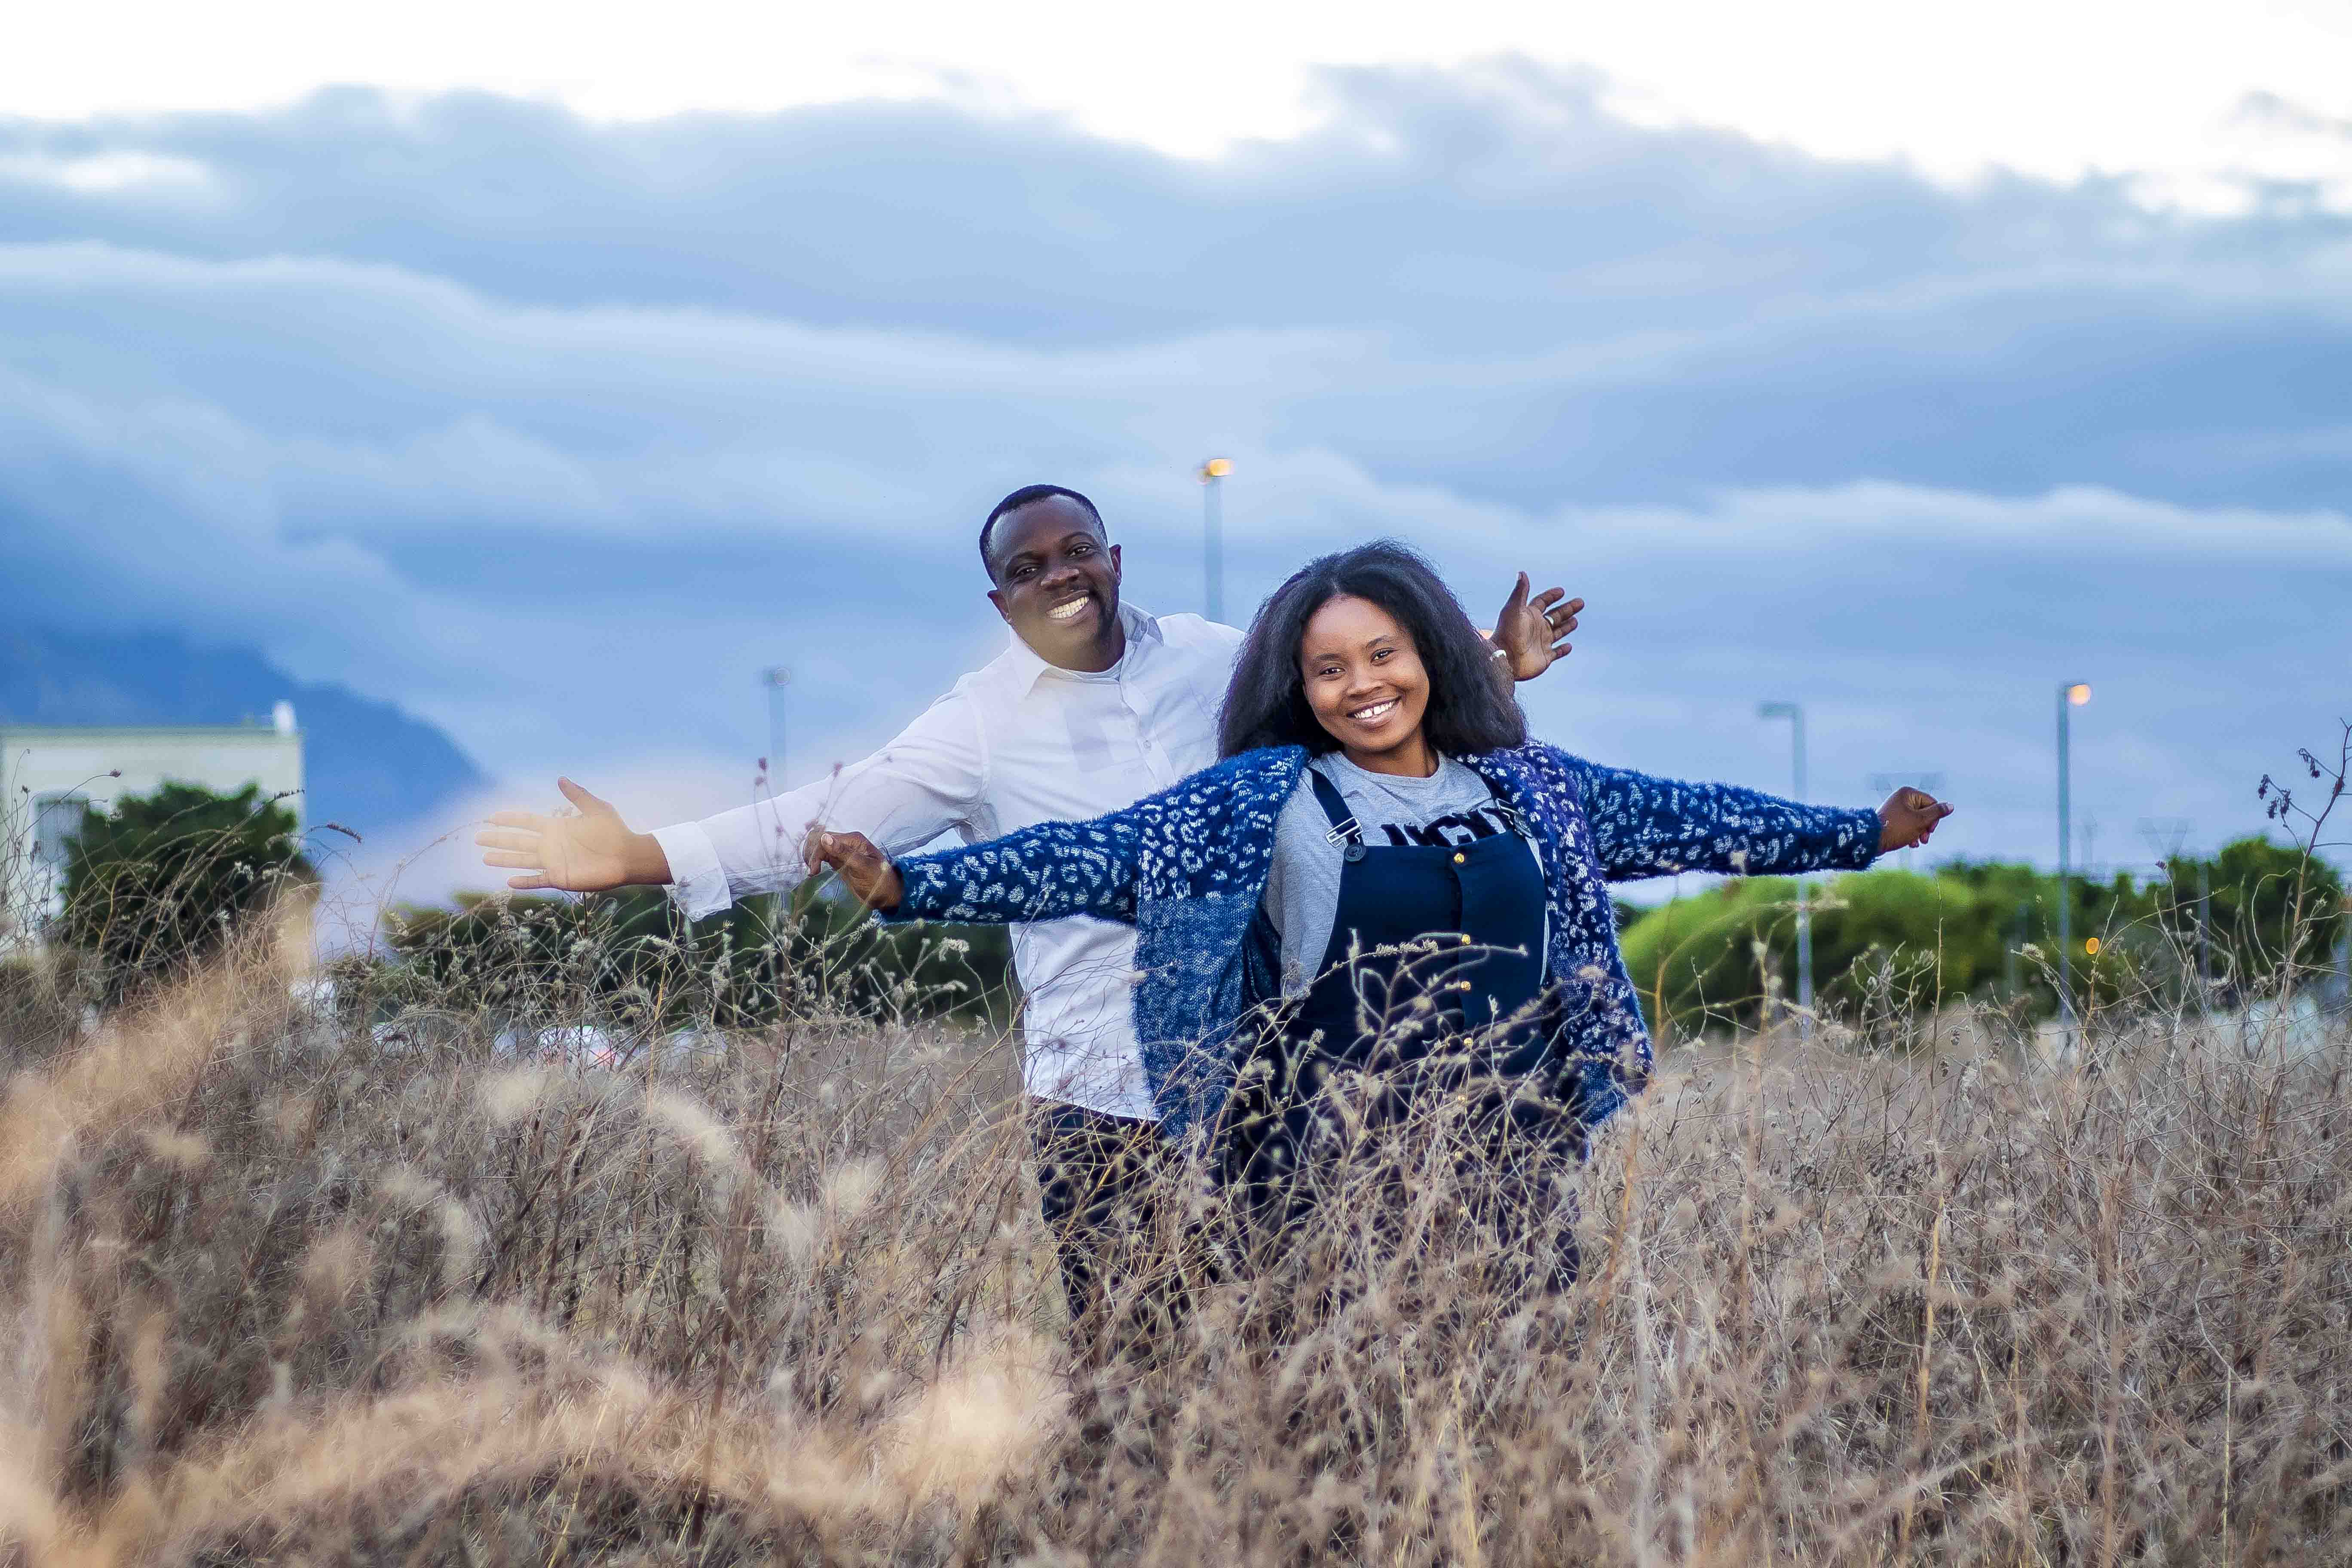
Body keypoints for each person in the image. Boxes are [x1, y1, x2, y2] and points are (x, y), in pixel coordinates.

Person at [474, 490, 1585, 1337]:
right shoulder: (980, 727)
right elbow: (821, 819)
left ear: (1114, 560)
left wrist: (1498, 669)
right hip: (1101, 1106)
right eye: (1027, 568)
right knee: (1131, 1378)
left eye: (1075, 552)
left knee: (1291, 1363)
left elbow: (1365, 709)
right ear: (999, 600)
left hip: (1270, 1089)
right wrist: (640, 857)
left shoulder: (1218, 660)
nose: (1059, 576)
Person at [809, 539, 1952, 1291]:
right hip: (1323, 1179)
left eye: (1383, 656)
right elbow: (1087, 856)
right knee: (1350, 1458)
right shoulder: (1259, 800)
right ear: (1296, 688)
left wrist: (1861, 831)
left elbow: (1694, 819)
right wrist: (913, 888)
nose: (1362, 686)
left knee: (1514, 1432)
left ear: (1429, 658)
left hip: (1516, 1166)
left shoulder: (1531, 785)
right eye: (1328, 670)